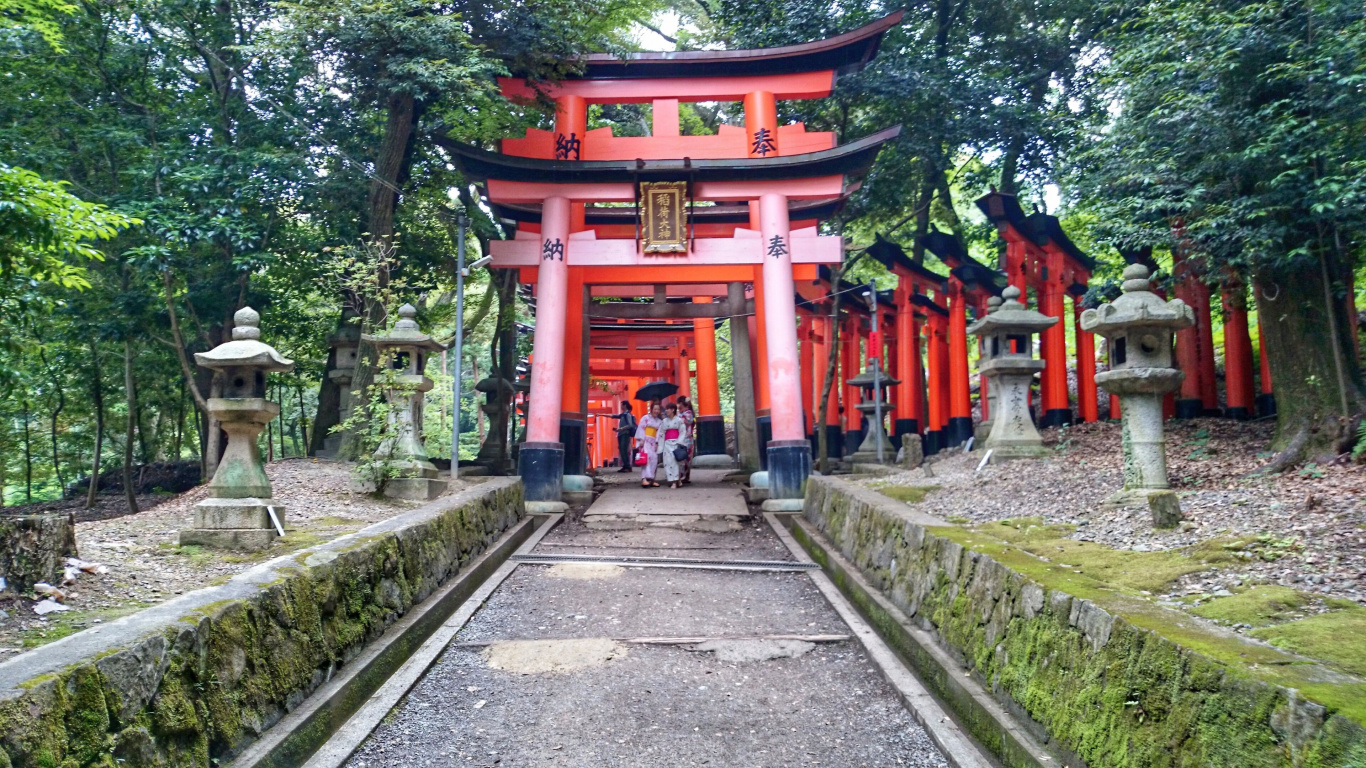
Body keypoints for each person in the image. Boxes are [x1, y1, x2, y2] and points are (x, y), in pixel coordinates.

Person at [659, 402, 688, 489]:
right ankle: (672, 480)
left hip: (676, 442)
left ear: (673, 410)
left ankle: (675, 481)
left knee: (675, 462)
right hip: (667, 443)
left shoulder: (679, 420)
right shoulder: (664, 421)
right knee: (667, 462)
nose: (666, 411)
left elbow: (682, 431)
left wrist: (679, 442)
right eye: (666, 409)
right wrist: (660, 445)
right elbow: (661, 433)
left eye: (668, 409)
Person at [635, 402, 664, 488]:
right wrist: (641, 439)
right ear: (651, 409)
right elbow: (641, 428)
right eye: (655, 409)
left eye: (658, 409)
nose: (656, 411)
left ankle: (652, 479)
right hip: (645, 440)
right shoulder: (645, 418)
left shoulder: (659, 421)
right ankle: (644, 479)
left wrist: (657, 442)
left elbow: (659, 433)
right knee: (646, 459)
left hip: (653, 441)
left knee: (654, 460)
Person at [676, 396, 695, 484]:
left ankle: (685, 476)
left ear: (682, 404)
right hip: (682, 438)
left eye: (678, 403)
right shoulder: (681, 413)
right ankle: (682, 476)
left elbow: (685, 421)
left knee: (685, 458)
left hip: (687, 439)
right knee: (682, 458)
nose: (677, 405)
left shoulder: (688, 413)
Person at [614, 402, 637, 473]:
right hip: (621, 434)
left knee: (624, 449)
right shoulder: (623, 415)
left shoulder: (627, 414)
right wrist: (602, 414)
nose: (620, 406)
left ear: (625, 405)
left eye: (621, 405)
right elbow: (614, 416)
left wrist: (621, 429)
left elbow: (630, 425)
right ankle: (625, 466)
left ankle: (627, 466)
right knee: (622, 449)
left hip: (625, 433)